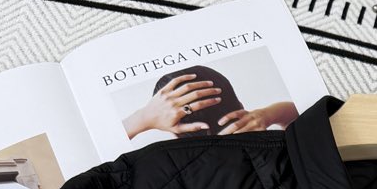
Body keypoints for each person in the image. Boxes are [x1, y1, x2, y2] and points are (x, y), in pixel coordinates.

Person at [122, 67, 298, 140]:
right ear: (240, 104)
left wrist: (142, 117)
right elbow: (299, 115)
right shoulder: (275, 150)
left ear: (173, 131)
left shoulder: (159, 173)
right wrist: (267, 115)